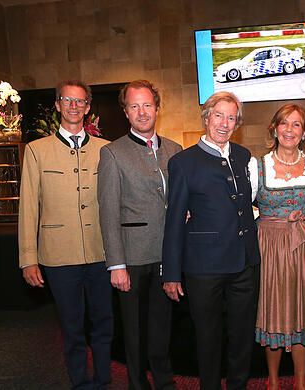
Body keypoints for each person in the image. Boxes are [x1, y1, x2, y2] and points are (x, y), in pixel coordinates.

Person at [162, 91, 261, 390]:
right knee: (207, 339)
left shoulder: (244, 156)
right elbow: (175, 220)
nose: (224, 123)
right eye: (219, 115)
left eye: (231, 118)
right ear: (206, 118)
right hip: (204, 269)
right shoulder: (183, 162)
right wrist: (171, 273)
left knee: (243, 338)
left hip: (245, 263)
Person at [19, 79, 113, 389]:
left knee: (104, 323)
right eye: (67, 100)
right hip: (59, 256)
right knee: (72, 327)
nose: (74, 106)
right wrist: (28, 259)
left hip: (102, 253)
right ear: (58, 105)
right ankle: (81, 382)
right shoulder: (36, 151)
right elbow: (29, 208)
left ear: (88, 107)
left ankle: (103, 378)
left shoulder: (106, 149)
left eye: (80, 101)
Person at [98, 80, 181, 390]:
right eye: (134, 106)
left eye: (147, 105)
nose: (142, 111)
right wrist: (115, 264)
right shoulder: (112, 153)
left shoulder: (174, 149)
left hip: (166, 256)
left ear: (157, 109)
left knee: (162, 328)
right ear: (125, 112)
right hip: (131, 258)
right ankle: (137, 384)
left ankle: (164, 381)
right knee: (133, 332)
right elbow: (107, 211)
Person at [248, 104, 305, 390]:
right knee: (272, 309)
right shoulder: (257, 166)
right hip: (270, 246)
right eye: (284, 124)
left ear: (304, 131)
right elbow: (240, 205)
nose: (290, 130)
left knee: (303, 308)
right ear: (274, 129)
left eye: (296, 124)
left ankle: (301, 381)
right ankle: (272, 381)